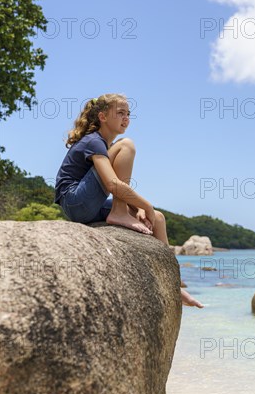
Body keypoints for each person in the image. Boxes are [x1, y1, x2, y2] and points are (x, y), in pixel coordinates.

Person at [54, 93, 203, 308]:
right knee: (127, 145)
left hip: (88, 205)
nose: (126, 118)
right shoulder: (94, 142)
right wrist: (145, 205)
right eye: (120, 113)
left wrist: (143, 210)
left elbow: (112, 186)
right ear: (103, 116)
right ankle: (119, 211)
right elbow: (112, 184)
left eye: (128, 114)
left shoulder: (105, 145)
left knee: (158, 219)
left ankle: (175, 286)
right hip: (75, 201)